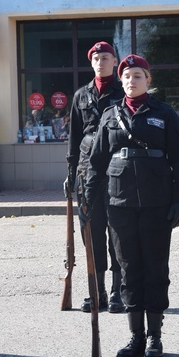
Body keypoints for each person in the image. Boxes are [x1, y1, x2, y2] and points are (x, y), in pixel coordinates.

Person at [83, 54, 179, 357]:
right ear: (122, 81)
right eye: (127, 76)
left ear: (148, 81)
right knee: (128, 268)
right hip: (120, 204)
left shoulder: (164, 114)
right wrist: (89, 199)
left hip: (157, 203)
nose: (132, 81)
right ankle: (136, 336)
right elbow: (97, 162)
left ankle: (155, 336)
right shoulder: (109, 114)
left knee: (155, 267)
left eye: (138, 76)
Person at [65, 41, 126, 314]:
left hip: (116, 172)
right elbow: (74, 139)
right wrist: (71, 175)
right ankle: (96, 291)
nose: (101, 62)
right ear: (91, 63)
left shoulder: (123, 91)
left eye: (106, 58)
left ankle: (117, 291)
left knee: (118, 233)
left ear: (115, 61)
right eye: (97, 58)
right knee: (91, 233)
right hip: (86, 172)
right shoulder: (81, 96)